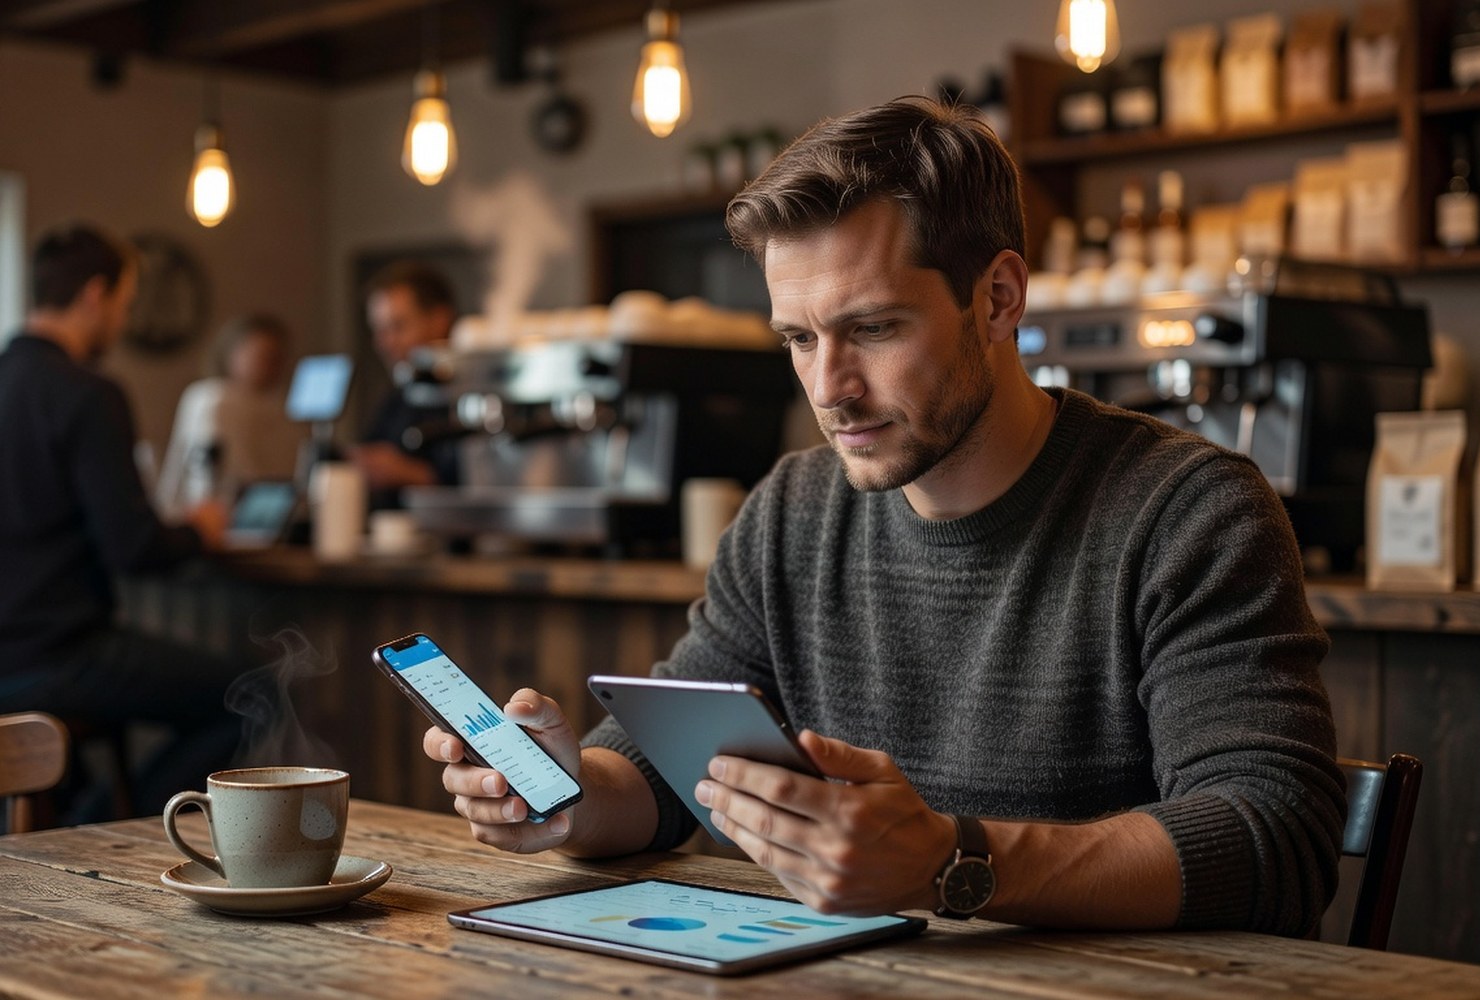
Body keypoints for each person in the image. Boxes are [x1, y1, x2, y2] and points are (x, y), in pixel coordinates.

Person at [421, 97, 1345, 936]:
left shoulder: (1189, 510)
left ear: (998, 297)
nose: (831, 389)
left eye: (873, 329)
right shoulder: (791, 510)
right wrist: (566, 795)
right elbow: (668, 774)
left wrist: (952, 861)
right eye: (799, 338)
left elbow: (1274, 835)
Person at [0, 224, 250, 822]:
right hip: (58, 652)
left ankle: (85, 811)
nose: (120, 319)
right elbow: (131, 546)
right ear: (95, 295)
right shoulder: (87, 393)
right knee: (248, 695)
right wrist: (199, 531)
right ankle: (118, 824)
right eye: (124, 303)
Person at [156, 312, 303, 517]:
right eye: (263, 356)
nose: (270, 366)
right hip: (217, 518)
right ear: (231, 352)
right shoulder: (215, 399)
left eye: (277, 358)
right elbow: (215, 479)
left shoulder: (282, 409)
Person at [348, 260, 459, 509]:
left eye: (397, 327)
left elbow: (482, 483)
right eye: (378, 330)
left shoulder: (472, 395)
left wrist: (413, 474)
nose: (384, 343)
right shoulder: (398, 396)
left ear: (439, 320)